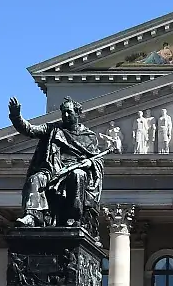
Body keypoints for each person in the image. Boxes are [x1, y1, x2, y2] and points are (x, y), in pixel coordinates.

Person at [8, 96, 104, 228]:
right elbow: (30, 129)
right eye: (63, 112)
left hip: (74, 171)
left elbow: (97, 160)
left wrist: (89, 163)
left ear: (77, 113)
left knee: (77, 175)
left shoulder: (88, 136)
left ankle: (73, 216)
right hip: (54, 170)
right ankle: (32, 216)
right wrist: (16, 116)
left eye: (69, 112)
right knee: (36, 178)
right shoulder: (52, 129)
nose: (65, 115)